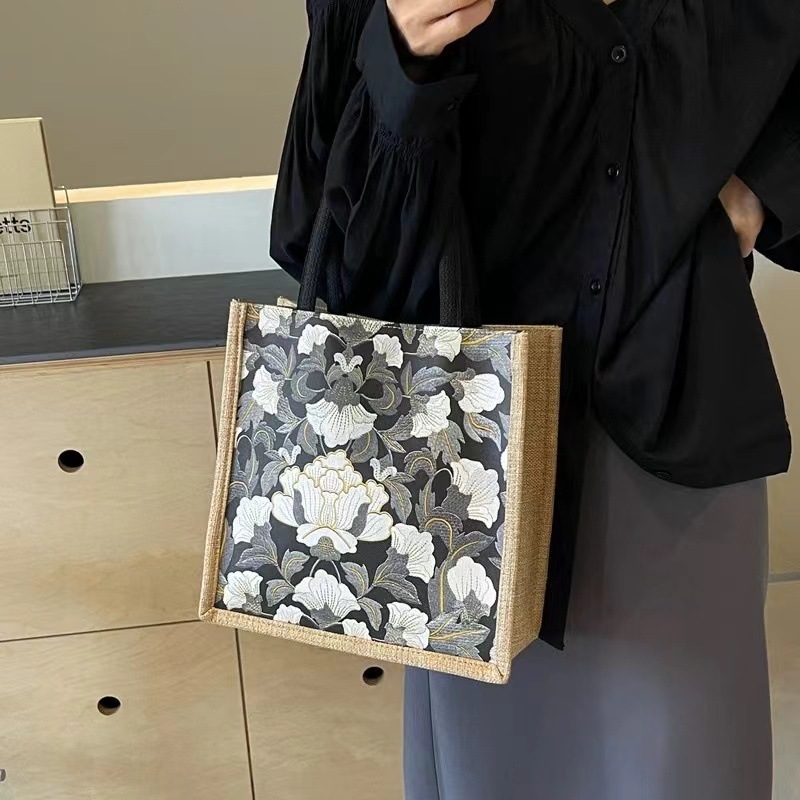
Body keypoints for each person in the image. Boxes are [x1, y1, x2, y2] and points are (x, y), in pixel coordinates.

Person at [270, 1, 800, 797]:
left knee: (689, 765)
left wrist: (766, 186)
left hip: (680, 439)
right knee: (497, 770)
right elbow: (322, 233)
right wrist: (402, 60)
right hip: (466, 469)